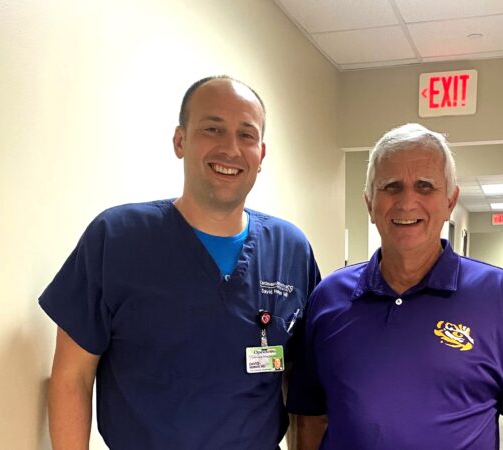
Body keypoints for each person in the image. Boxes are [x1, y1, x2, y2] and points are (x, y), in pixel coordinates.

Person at [40, 75, 320, 450]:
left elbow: (297, 384)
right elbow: (72, 377)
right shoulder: (117, 238)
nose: (230, 149)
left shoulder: (290, 249)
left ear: (262, 154)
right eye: (212, 129)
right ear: (180, 140)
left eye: (246, 135)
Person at [287, 123, 503, 450]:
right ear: (369, 203)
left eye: (425, 186)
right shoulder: (328, 298)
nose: (407, 202)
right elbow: (309, 418)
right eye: (391, 186)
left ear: (450, 201)